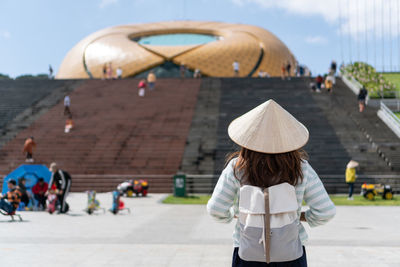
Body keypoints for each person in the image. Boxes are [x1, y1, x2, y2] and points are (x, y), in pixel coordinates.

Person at [207, 99, 336, 266]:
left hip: (247, 253)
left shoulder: (237, 167)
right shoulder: (301, 168)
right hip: (290, 255)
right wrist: (300, 216)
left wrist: (233, 215)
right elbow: (326, 211)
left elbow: (216, 208)